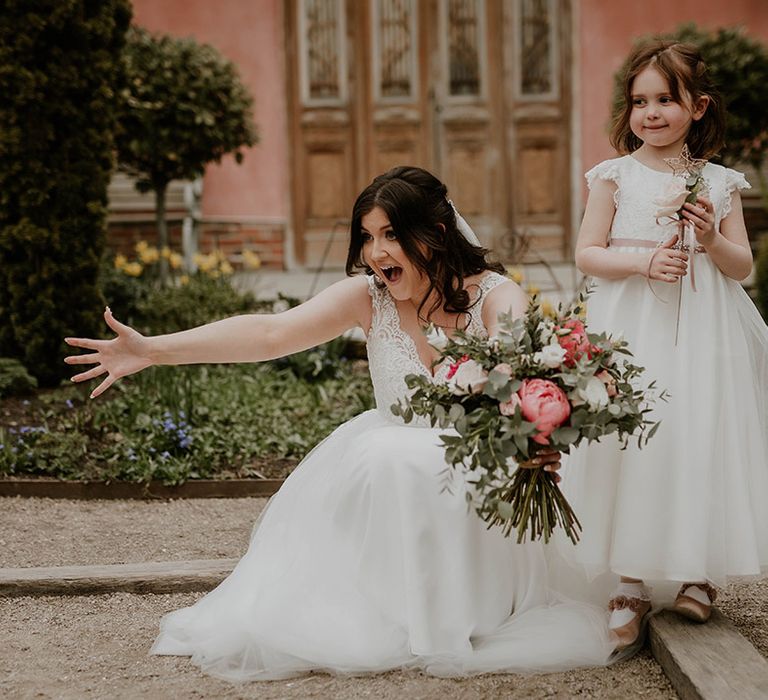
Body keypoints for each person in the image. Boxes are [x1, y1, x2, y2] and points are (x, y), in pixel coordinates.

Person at [65, 166, 615, 681]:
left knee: (400, 458)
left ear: (438, 232)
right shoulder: (367, 299)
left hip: (474, 471)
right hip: (388, 468)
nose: (377, 253)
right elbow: (269, 334)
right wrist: (153, 350)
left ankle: (465, 609)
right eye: (368, 237)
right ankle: (397, 612)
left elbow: (526, 382)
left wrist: (535, 432)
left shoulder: (497, 297)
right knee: (386, 455)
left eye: (392, 235)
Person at [564, 40, 768, 653]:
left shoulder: (720, 182)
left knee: (692, 431)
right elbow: (587, 252)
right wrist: (643, 261)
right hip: (630, 323)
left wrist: (710, 239)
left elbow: (745, 270)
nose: (650, 113)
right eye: (639, 102)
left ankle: (696, 569)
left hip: (703, 325)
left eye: (665, 100)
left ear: (698, 107)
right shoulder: (613, 176)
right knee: (630, 435)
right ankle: (628, 580)